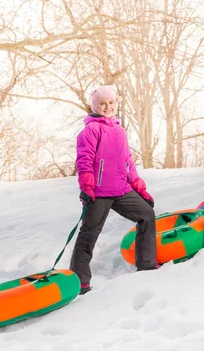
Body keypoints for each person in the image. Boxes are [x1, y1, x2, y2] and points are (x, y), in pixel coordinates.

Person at [70, 85, 158, 295]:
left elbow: (128, 162)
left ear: (116, 104)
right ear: (95, 106)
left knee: (147, 214)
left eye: (111, 103)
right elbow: (84, 161)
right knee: (89, 233)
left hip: (121, 190)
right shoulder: (90, 130)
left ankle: (146, 263)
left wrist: (139, 188)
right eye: (102, 103)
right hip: (98, 192)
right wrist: (87, 187)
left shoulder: (120, 131)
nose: (107, 107)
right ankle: (80, 280)